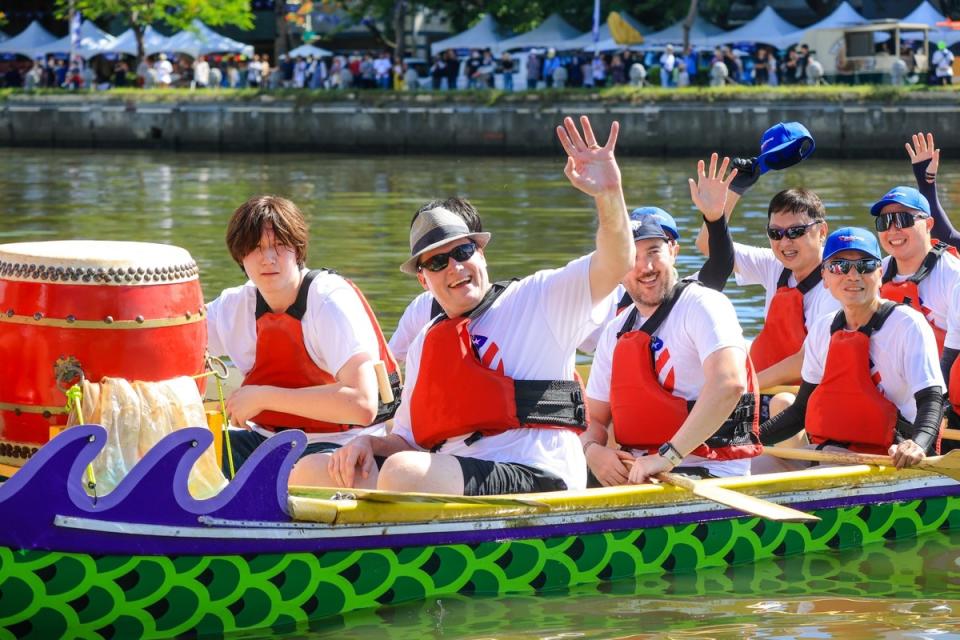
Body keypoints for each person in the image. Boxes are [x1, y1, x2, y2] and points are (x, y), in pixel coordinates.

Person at [307, 116, 634, 496]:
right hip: (451, 474)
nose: (454, 268)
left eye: (463, 252)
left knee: (401, 473)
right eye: (436, 262)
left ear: (481, 252)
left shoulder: (538, 298)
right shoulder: (426, 341)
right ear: (423, 279)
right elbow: (408, 441)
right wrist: (366, 443)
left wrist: (609, 195)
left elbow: (617, 262)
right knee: (314, 467)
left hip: (538, 473)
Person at [582, 155, 762, 486]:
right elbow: (594, 421)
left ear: (673, 251)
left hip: (705, 471)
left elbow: (730, 384)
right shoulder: (614, 331)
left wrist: (667, 457)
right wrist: (593, 450)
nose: (645, 267)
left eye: (654, 251)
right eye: (633, 256)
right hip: (638, 468)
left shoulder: (704, 304)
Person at [205, 195, 402, 478]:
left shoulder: (330, 301)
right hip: (264, 441)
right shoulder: (233, 306)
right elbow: (173, 340)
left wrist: (263, 397)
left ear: (298, 250)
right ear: (240, 255)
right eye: (256, 248)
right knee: (184, 453)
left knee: (303, 473)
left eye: (279, 246)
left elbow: (362, 404)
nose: (268, 258)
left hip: (337, 447)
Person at [752, 227, 944, 472]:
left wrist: (917, 444)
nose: (853, 275)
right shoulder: (824, 329)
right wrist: (743, 442)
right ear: (825, 276)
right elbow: (800, 411)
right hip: (828, 454)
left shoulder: (907, 325)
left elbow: (931, 400)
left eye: (864, 265)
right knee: (742, 465)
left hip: (887, 458)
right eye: (839, 266)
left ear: (880, 272)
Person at [696, 123, 834, 392]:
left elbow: (806, 361)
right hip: (764, 384)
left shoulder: (837, 282)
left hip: (806, 394)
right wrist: (734, 191)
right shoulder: (775, 264)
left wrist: (745, 385)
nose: (785, 242)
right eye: (775, 233)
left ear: (822, 232)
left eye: (796, 231)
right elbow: (708, 246)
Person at [871, 184, 960, 355]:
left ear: (928, 224)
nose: (892, 230)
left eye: (903, 220)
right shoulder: (874, 272)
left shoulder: (953, 276)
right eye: (884, 222)